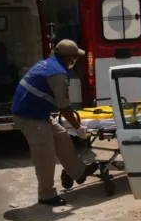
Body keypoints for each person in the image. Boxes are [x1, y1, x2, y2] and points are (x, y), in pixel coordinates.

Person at [11, 39, 97, 206]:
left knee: (62, 137)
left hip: (38, 112)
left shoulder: (47, 63)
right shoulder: (58, 73)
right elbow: (64, 107)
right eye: (74, 58)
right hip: (28, 116)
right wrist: (78, 128)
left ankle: (78, 172)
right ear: (68, 58)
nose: (75, 61)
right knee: (45, 154)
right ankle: (46, 195)